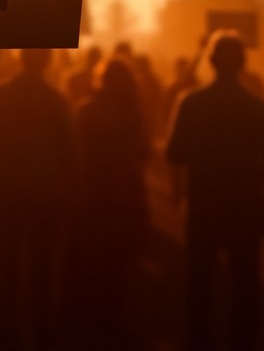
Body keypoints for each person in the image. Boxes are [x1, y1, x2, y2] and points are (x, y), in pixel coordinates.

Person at [166, 31, 264, 351]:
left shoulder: (191, 103)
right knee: (245, 288)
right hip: (245, 206)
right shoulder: (258, 108)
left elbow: (174, 153)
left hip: (204, 204)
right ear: (242, 64)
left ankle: (197, 341)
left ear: (213, 63)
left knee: (199, 285)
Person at [0, 48, 75, 351]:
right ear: (46, 61)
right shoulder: (55, 100)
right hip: (45, 190)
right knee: (42, 264)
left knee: (7, 262)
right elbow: (68, 151)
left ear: (20, 58)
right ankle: (42, 330)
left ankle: (5, 330)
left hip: (6, 188)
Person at [66, 57, 150, 346]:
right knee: (118, 260)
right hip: (124, 192)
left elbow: (71, 151)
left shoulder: (84, 110)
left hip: (91, 189)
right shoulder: (133, 114)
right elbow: (144, 151)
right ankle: (112, 318)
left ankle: (84, 318)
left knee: (88, 254)